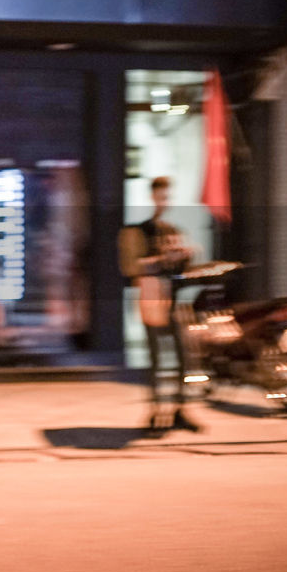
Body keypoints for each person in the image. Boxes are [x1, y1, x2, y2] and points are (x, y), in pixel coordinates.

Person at [118, 176, 198, 433]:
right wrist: (162, 259)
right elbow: (130, 266)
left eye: (168, 197)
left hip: (172, 301)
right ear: (153, 197)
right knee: (156, 360)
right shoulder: (138, 231)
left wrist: (185, 257)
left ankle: (179, 410)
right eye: (162, 196)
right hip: (152, 302)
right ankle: (155, 413)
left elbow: (182, 271)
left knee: (183, 359)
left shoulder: (171, 230)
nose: (165, 202)